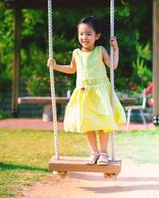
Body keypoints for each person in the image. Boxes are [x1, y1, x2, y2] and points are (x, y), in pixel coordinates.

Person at [47, 16, 126, 165]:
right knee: (87, 124)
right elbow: (71, 69)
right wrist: (55, 66)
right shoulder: (76, 53)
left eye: (88, 34)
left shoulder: (100, 50)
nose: (84, 37)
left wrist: (116, 49)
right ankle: (94, 152)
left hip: (100, 92)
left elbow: (113, 66)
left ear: (97, 36)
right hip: (84, 93)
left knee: (103, 123)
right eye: (81, 34)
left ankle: (103, 153)